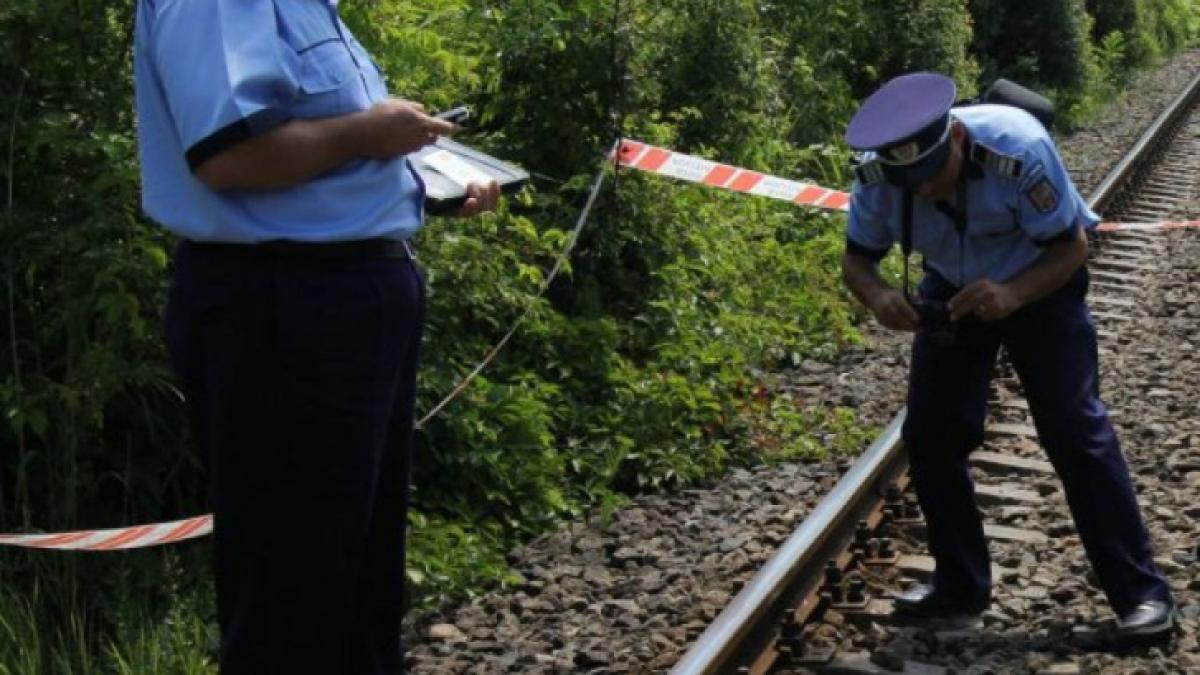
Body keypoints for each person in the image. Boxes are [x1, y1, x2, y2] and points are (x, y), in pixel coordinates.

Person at [133, 1, 500, 673]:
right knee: (294, 598)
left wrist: (424, 187)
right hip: (286, 310)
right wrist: (369, 132)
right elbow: (229, 155)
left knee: (355, 589)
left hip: (335, 301)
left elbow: (315, 169)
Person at [840, 72, 1174, 640]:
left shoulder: (1018, 150)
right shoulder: (881, 176)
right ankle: (959, 586)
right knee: (930, 435)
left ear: (960, 144)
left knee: (1074, 430)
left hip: (1039, 281)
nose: (923, 192)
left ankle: (1141, 595)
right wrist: (877, 296)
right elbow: (857, 260)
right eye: (910, 184)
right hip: (953, 286)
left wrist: (1014, 293)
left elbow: (1073, 248)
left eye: (932, 178)